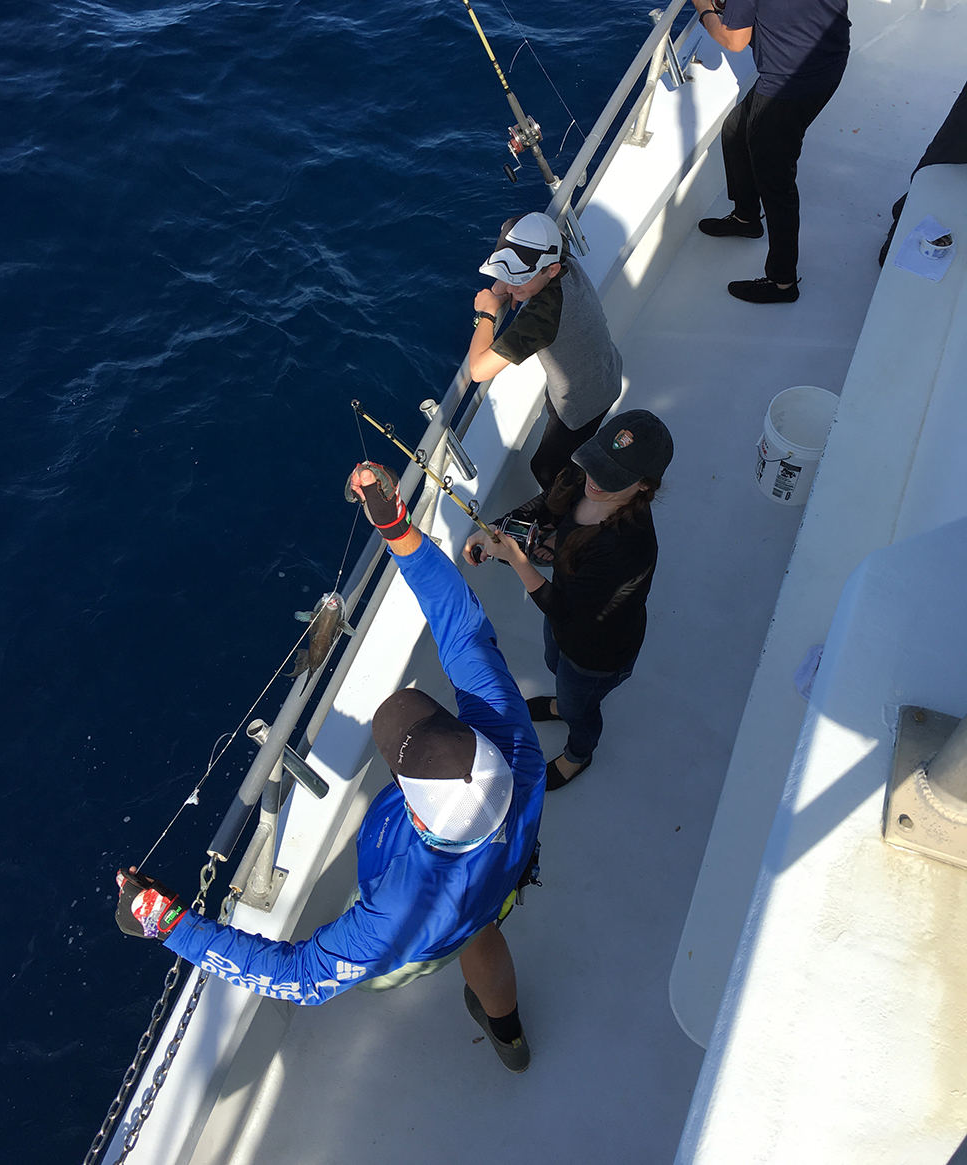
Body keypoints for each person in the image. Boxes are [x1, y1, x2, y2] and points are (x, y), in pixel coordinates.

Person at [116, 462, 545, 1073]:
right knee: (484, 931)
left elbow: (298, 977)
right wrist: (398, 529)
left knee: (456, 939)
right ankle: (508, 1035)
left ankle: (501, 1025)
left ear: (419, 818)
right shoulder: (518, 750)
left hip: (435, 924)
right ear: (480, 750)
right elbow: (463, 630)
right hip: (499, 873)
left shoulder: (395, 914)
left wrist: (166, 923)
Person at [463, 410, 673, 791]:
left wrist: (516, 559)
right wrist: (498, 529)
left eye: (610, 477)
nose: (594, 480)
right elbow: (546, 503)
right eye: (595, 464)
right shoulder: (588, 475)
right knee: (554, 662)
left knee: (582, 706)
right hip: (563, 623)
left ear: (644, 485)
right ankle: (562, 703)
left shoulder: (628, 548)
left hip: (598, 651)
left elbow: (567, 611)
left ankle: (579, 753)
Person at [693, 0, 850, 304]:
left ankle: (783, 281)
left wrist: (706, 10)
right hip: (831, 63)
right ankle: (745, 217)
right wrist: (744, 5)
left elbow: (734, 40)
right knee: (734, 129)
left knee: (777, 181)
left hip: (786, 87)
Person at [469, 211, 622, 489]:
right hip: (606, 370)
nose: (513, 283)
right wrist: (514, 287)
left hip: (583, 404)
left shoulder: (542, 317)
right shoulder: (559, 256)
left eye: (521, 276)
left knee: (544, 469)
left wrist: (488, 312)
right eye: (507, 271)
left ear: (549, 270)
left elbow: (479, 370)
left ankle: (566, 514)